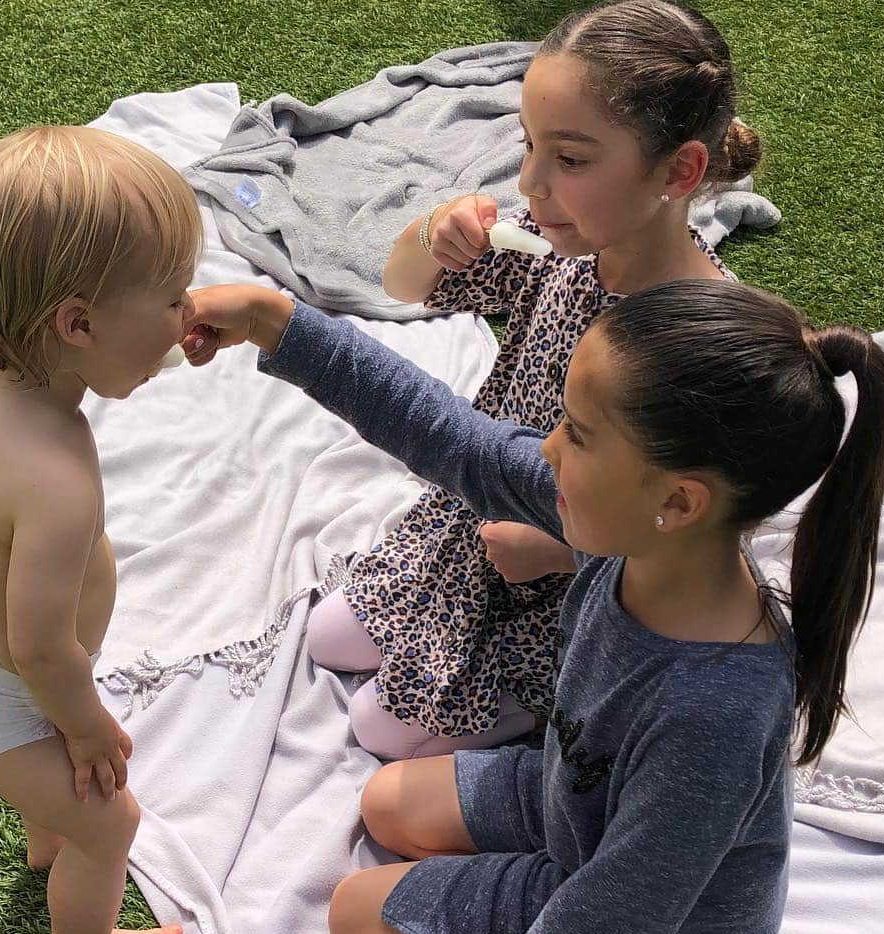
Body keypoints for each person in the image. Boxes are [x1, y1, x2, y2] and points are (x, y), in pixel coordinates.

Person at [177, 277, 884, 934]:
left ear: (678, 501)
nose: (546, 446)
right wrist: (282, 327)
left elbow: (623, 909)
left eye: (579, 436)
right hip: (580, 802)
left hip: (652, 927)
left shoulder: (715, 706)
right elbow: (458, 439)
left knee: (353, 916)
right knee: (386, 802)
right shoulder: (634, 540)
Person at [307, 0, 766, 767]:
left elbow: (702, 534)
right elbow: (403, 282)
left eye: (572, 159)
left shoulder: (702, 342)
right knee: (327, 636)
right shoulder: (564, 247)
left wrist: (562, 553)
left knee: (377, 728)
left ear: (679, 170)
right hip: (475, 522)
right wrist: (434, 233)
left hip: (577, 590)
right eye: (528, 146)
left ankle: (546, 717)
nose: (530, 182)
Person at [0, 125, 202, 934]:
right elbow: (40, 650)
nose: (188, 316)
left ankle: (45, 832)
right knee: (112, 826)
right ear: (77, 324)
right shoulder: (56, 478)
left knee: (66, 801)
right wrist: (86, 724)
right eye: (173, 298)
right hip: (5, 691)